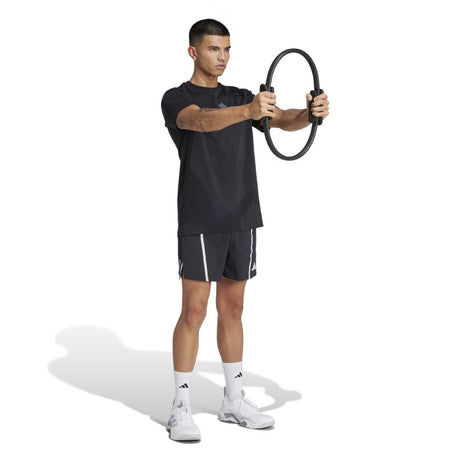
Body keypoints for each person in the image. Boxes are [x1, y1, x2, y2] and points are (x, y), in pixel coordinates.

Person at [161, 18, 329, 442]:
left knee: (233, 310)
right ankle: (181, 407)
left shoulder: (239, 96)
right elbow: (199, 122)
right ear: (193, 52)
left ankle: (233, 400)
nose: (223, 57)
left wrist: (309, 114)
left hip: (242, 216)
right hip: (201, 217)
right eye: (214, 49)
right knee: (194, 311)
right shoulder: (177, 98)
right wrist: (249, 110)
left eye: (227, 49)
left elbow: (282, 119)